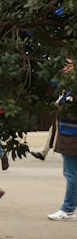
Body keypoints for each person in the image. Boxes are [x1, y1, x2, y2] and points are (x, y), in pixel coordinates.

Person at [48, 59, 76, 221]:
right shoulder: (68, 87)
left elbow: (67, 111)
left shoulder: (73, 89)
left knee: (71, 174)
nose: (64, 68)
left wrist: (61, 104)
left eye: (68, 65)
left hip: (72, 135)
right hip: (68, 133)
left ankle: (68, 208)